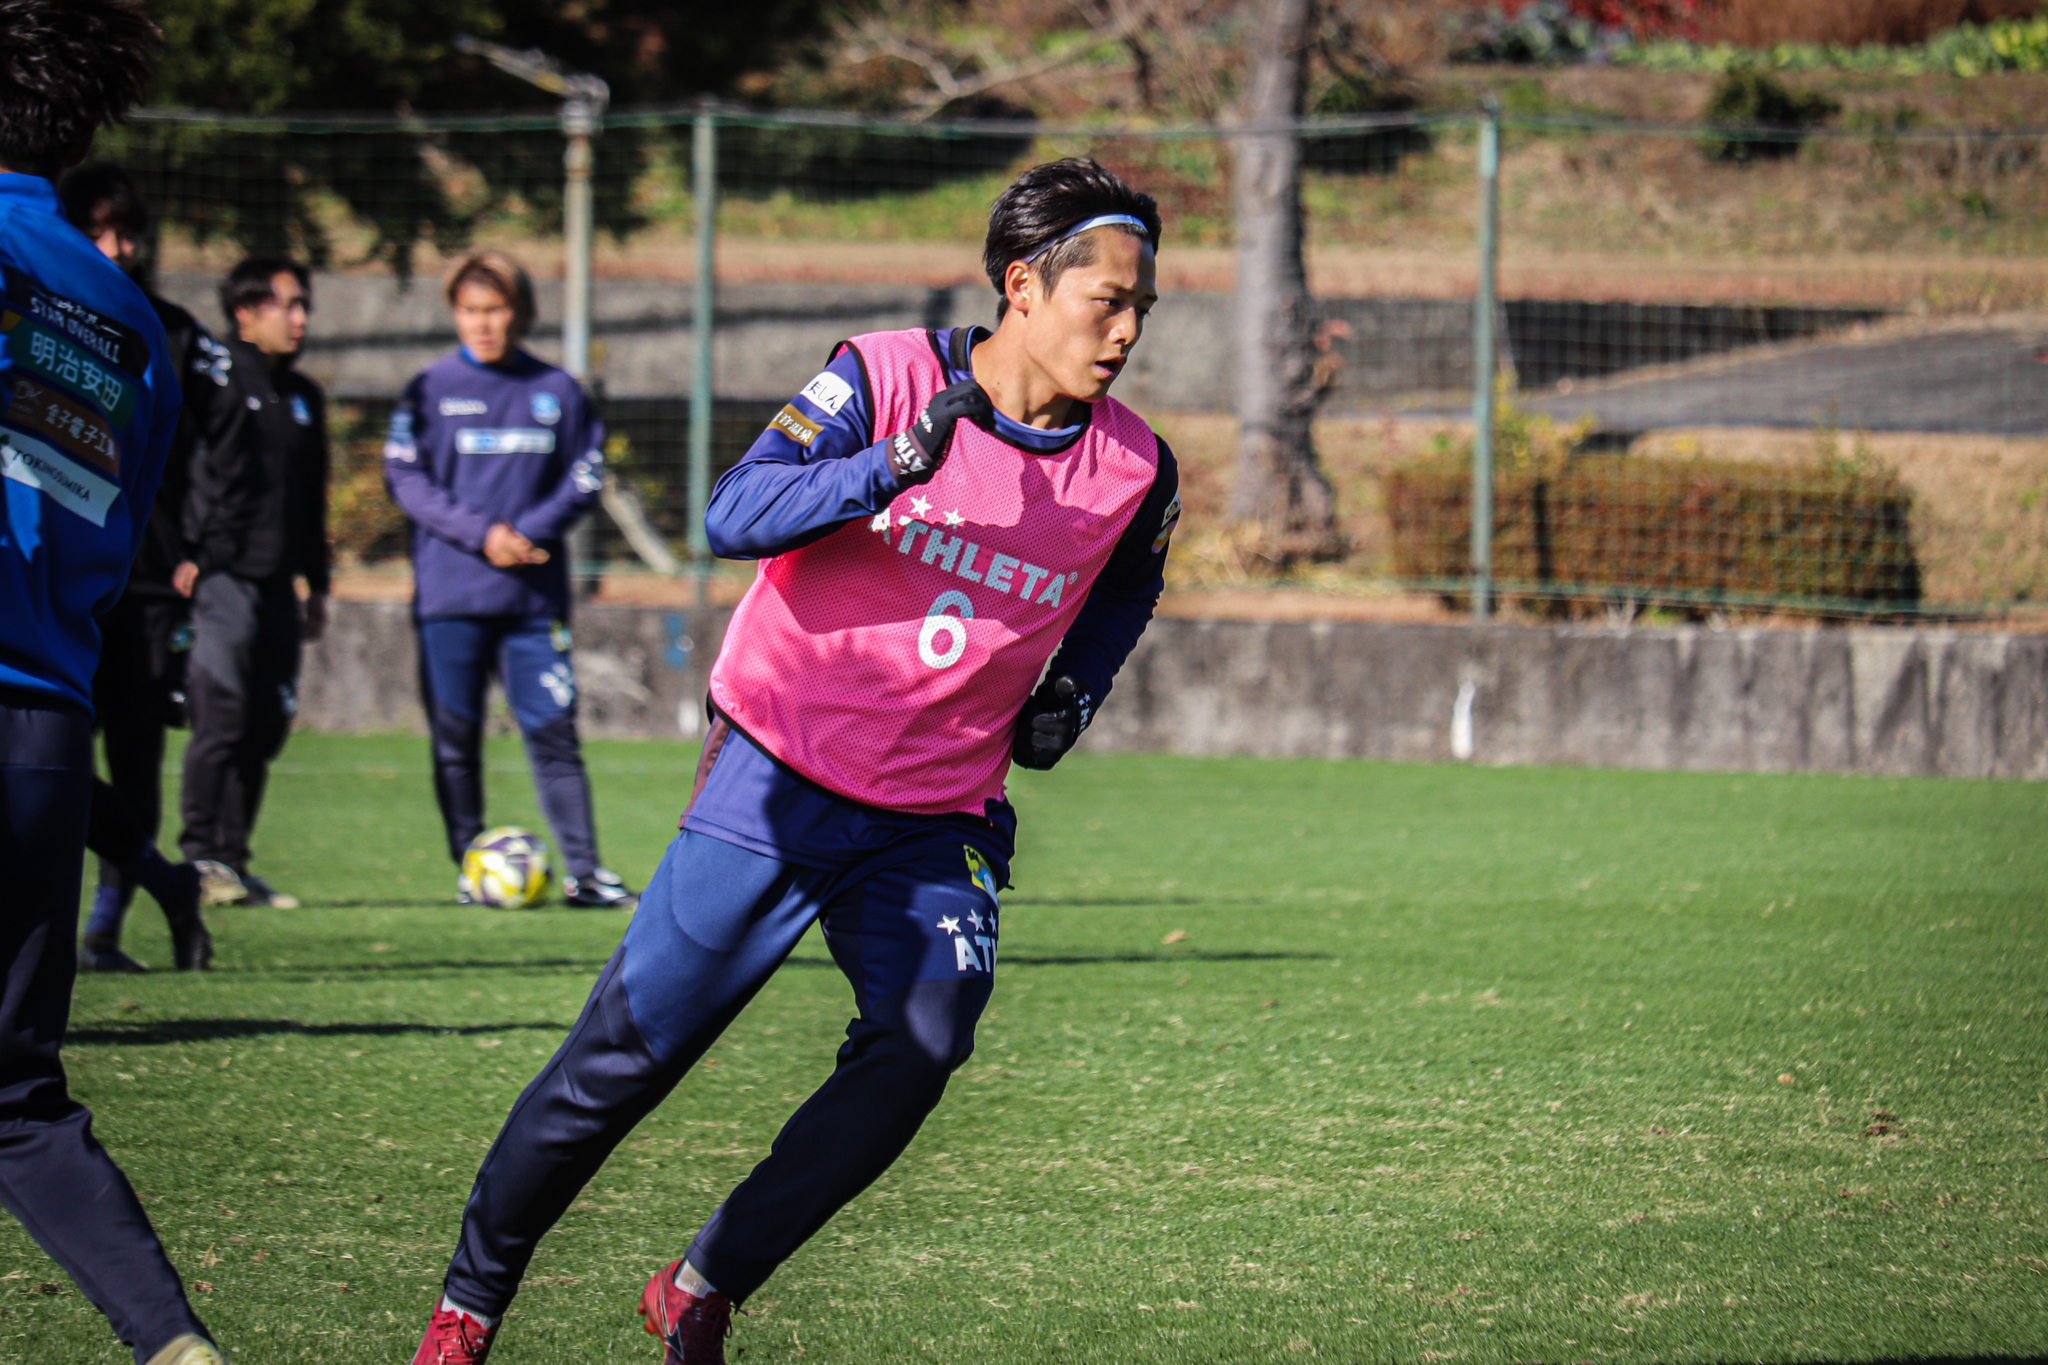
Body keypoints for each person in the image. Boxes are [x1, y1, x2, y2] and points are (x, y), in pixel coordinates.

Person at [410, 158, 1182, 1365]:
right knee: (622, 1062)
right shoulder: (883, 376)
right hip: (775, 774)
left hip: (936, 814)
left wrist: (1073, 689)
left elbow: (1128, 585)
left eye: (1143, 307)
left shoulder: (1136, 467)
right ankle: (469, 1304)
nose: (1127, 332)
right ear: (1022, 287)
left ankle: (703, 1282)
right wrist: (893, 462)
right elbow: (733, 513)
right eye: (1108, 301)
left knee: (924, 1040)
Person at [0, 2, 226, 1361]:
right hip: (43, 728)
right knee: (17, 1100)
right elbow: (121, 521)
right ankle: (174, 1345)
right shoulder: (129, 318)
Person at [383, 250, 636, 909]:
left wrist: (527, 532)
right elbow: (406, 478)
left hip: (531, 602)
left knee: (554, 732)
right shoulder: (429, 388)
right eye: (470, 310)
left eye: (495, 309)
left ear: (520, 312)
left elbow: (586, 474)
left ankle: (586, 872)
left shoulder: (558, 390)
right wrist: (483, 534)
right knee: (455, 740)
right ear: (455, 313)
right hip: (451, 596)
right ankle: (471, 867)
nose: (483, 323)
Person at [59, 162, 241, 972]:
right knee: (49, 754)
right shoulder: (42, 313)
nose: (116, 249)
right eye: (99, 231)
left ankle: (104, 928)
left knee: (133, 755)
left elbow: (219, 449)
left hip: (146, 582)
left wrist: (195, 547)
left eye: (128, 233)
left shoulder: (170, 333)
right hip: (56, 577)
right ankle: (166, 884)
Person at [174, 256, 330, 908]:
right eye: (286, 305)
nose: (300, 319)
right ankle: (199, 859)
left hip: (278, 585)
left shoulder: (303, 396)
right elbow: (180, 468)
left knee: (266, 724)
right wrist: (186, 551)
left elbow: (310, 500)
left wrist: (317, 582)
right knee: (223, 716)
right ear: (245, 313)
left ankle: (234, 861)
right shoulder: (213, 381)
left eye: (303, 305)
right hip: (223, 577)